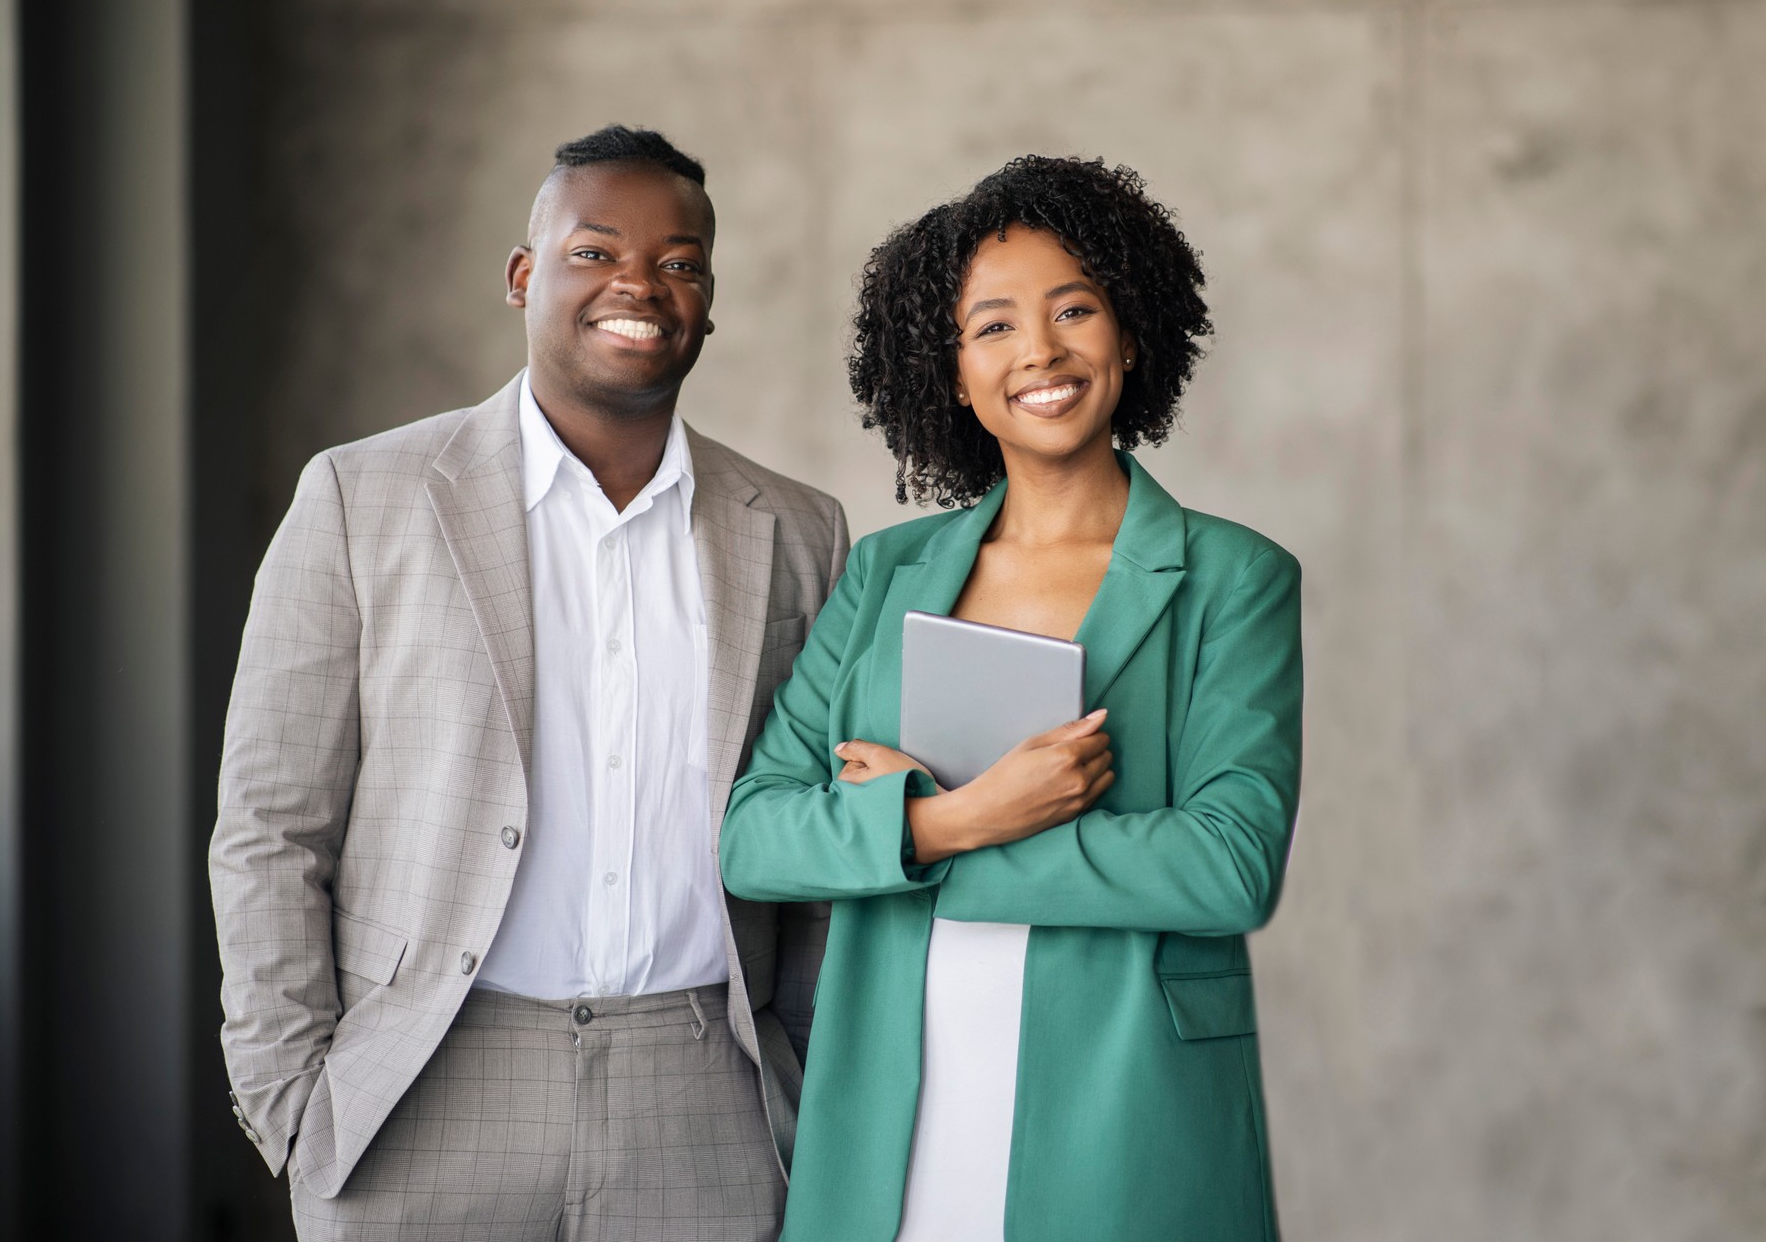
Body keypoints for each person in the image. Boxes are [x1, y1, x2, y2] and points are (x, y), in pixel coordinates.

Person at [211, 124, 846, 1241]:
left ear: (710, 299)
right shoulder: (366, 498)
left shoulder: (797, 531)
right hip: (427, 1086)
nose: (641, 285)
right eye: (595, 251)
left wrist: (802, 1076)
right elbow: (270, 822)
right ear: (522, 276)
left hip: (704, 1092)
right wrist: (291, 1097)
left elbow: (811, 843)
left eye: (681, 261)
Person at [718, 155, 1303, 1241]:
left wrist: (940, 839)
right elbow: (753, 836)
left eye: (1074, 308)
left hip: (1125, 1111)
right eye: (993, 326)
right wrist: (958, 817)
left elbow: (1229, 863)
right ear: (949, 370)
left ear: (1131, 335)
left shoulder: (1236, 578)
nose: (1039, 350)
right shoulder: (885, 572)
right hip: (893, 1097)